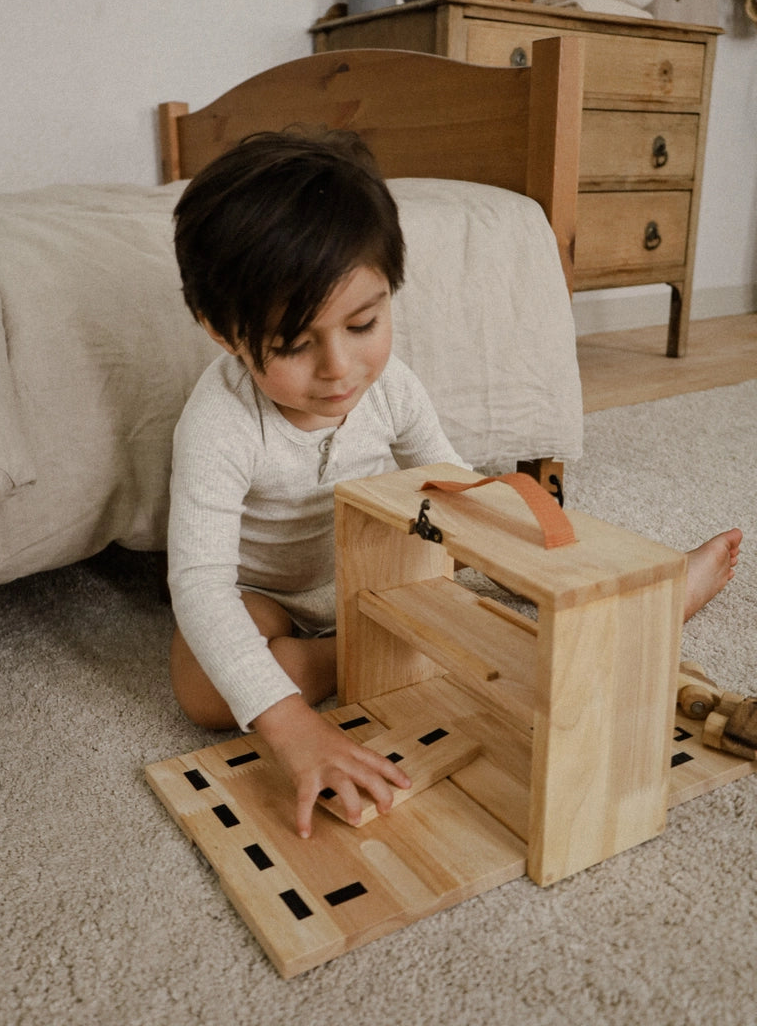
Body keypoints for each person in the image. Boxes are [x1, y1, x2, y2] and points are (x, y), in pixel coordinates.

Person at [167, 129, 742, 839]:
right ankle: (360, 654)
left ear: (388, 296)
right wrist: (290, 728)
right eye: (293, 344)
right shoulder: (217, 424)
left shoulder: (391, 386)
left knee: (490, 536)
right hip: (272, 597)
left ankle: (643, 600)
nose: (340, 367)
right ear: (222, 330)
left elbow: (457, 491)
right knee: (200, 685)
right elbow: (199, 584)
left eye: (364, 323)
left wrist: (557, 558)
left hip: (381, 573)